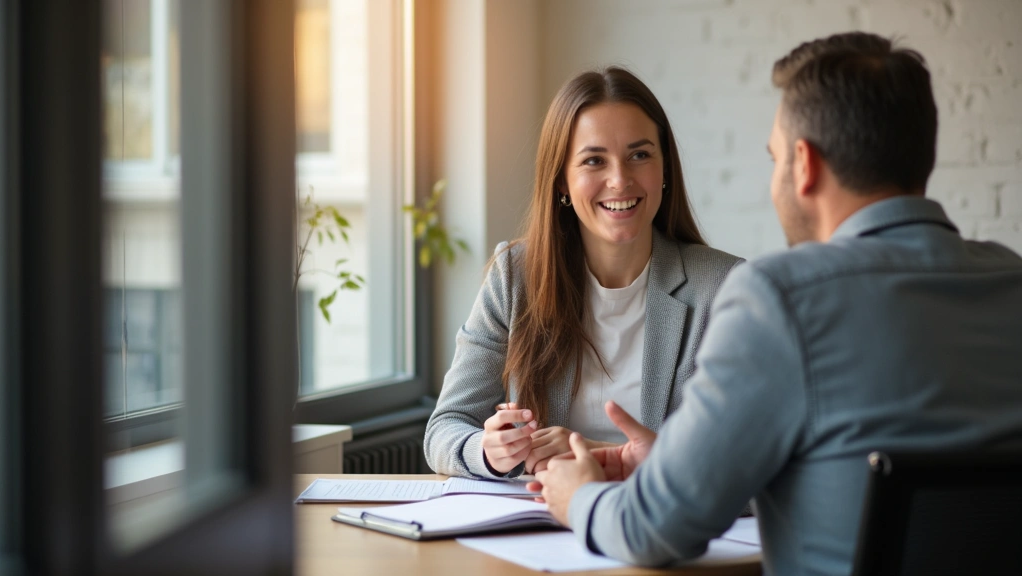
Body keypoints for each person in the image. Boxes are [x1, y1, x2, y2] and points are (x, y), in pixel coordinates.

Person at [529, 32, 1022, 575]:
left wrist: (579, 498)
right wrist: (674, 463)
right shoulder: (1011, 283)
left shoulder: (782, 299)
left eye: (775, 157)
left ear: (804, 165)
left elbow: (652, 530)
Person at [423, 67, 742, 479]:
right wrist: (488, 451)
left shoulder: (725, 288)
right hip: (534, 528)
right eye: (594, 160)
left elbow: (748, 458)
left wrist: (605, 456)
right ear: (561, 182)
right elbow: (444, 428)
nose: (620, 179)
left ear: (665, 170)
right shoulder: (514, 277)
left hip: (658, 532)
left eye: (640, 155)